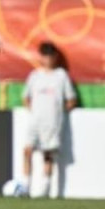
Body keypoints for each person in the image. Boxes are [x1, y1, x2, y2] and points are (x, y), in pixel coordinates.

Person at [21, 41, 76, 197]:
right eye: (45, 55)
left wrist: (59, 113)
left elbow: (71, 99)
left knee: (48, 153)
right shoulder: (35, 76)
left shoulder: (61, 76)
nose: (48, 59)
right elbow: (26, 97)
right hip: (35, 121)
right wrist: (35, 111)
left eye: (51, 55)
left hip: (53, 122)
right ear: (41, 57)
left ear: (55, 57)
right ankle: (26, 185)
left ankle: (45, 187)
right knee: (27, 150)